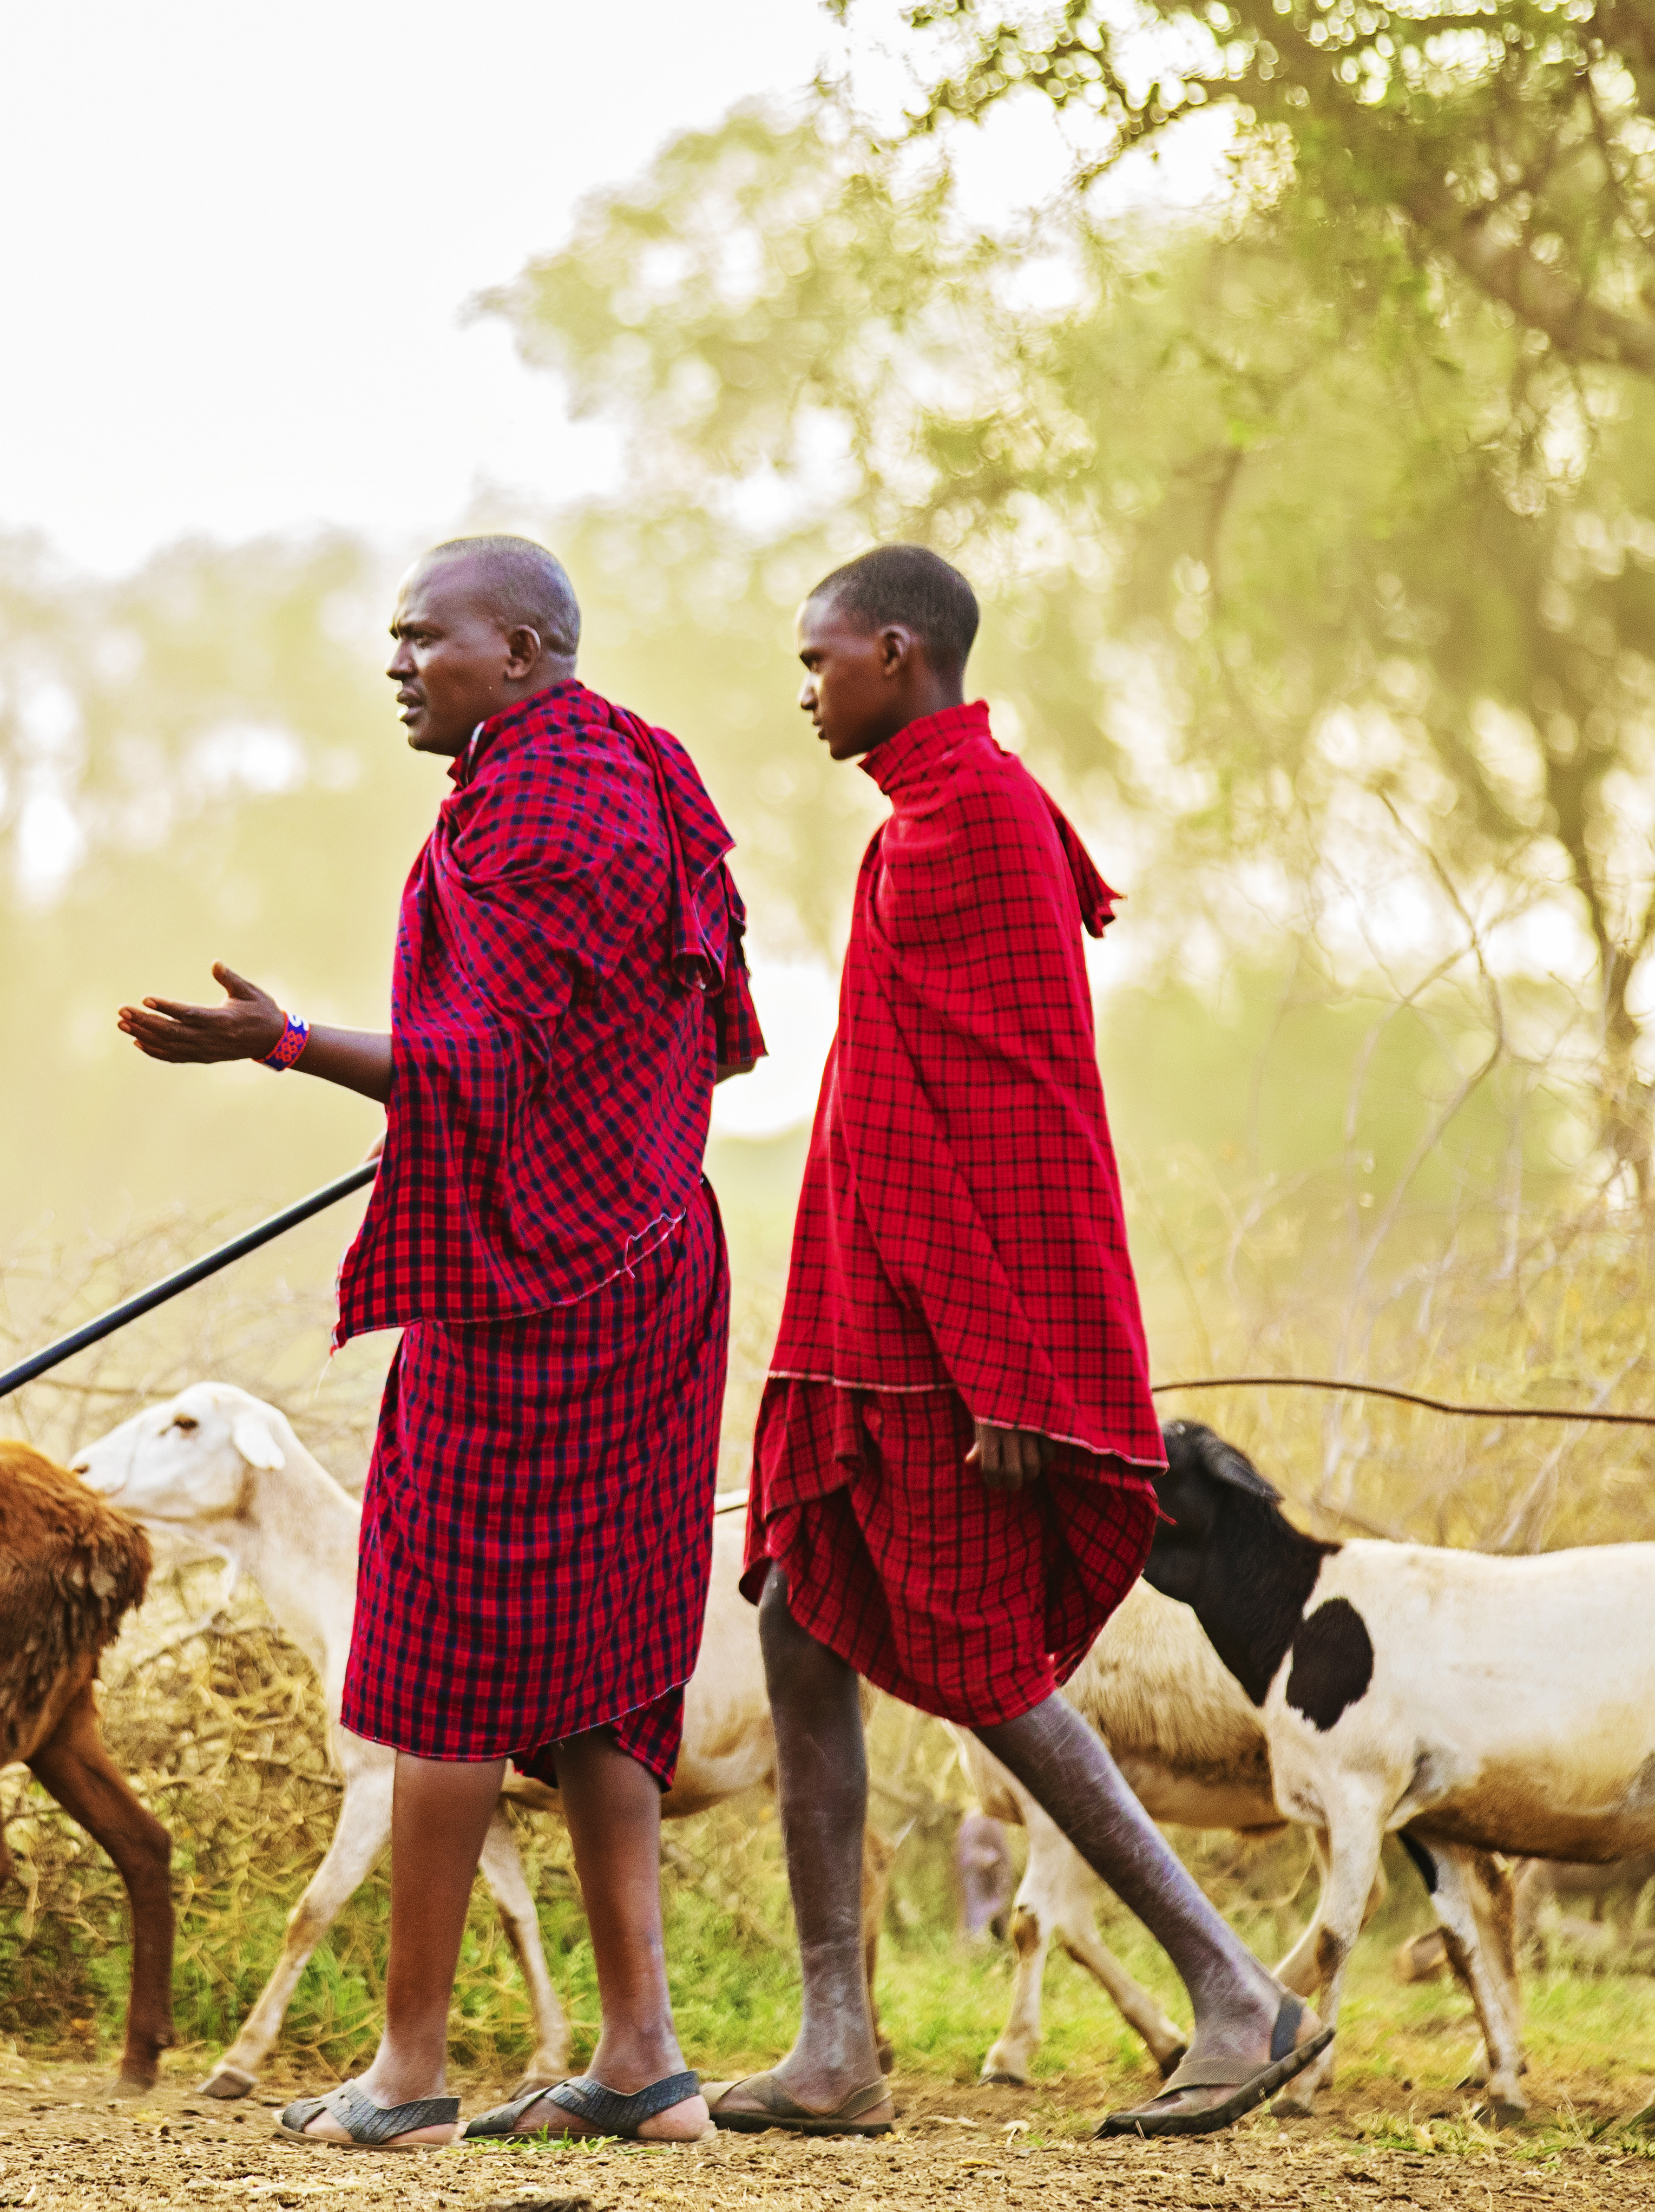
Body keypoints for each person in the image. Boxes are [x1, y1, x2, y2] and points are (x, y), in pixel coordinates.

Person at [116, 534, 760, 2150]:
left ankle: (408, 2076)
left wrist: (284, 1044)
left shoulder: (549, 801)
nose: (397, 664)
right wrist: (569, 1128)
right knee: (605, 1671)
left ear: (528, 646)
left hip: (540, 1291)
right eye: (393, 640)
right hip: (644, 1252)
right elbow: (674, 1040)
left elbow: (487, 1059)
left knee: (441, 1667)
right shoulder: (638, 769)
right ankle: (644, 2065)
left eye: (426, 638)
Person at [710, 544, 1327, 2142]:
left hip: (939, 1335)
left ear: (897, 652)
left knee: (978, 1661)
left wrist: (1010, 1371)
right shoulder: (934, 820)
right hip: (870, 1318)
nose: (804, 689)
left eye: (819, 658)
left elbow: (1005, 1122)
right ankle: (834, 2041)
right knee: (795, 1611)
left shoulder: (970, 831)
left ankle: (1236, 1992)